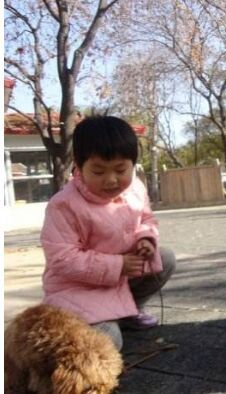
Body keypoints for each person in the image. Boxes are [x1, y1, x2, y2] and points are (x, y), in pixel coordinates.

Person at [40, 115, 175, 350]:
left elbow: (146, 218)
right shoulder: (63, 205)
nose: (112, 180)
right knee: (109, 342)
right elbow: (62, 260)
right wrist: (117, 265)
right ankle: (101, 321)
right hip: (78, 290)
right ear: (79, 166)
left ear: (133, 163)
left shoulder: (136, 188)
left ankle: (130, 311)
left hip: (120, 278)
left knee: (164, 258)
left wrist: (145, 238)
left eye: (121, 169)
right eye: (99, 172)